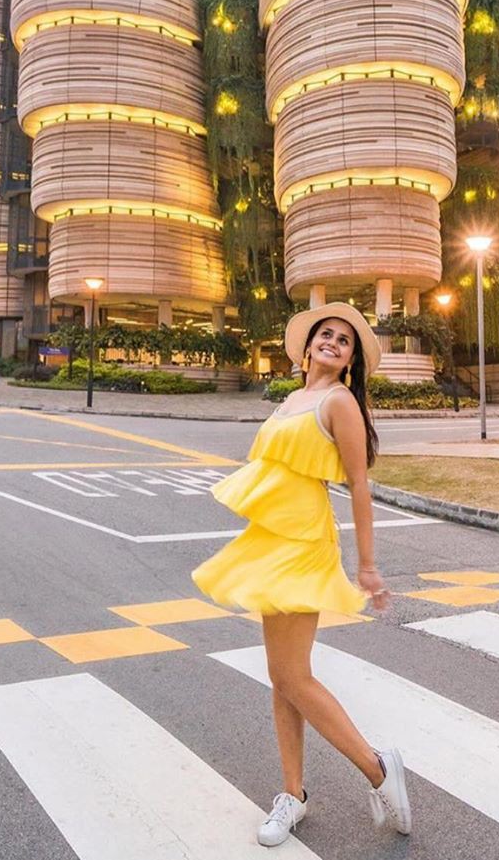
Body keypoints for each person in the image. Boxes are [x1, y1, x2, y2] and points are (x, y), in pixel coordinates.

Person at [192, 302, 410, 848]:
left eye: (346, 341)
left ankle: (378, 767)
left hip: (304, 539)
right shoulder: (292, 399)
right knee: (282, 674)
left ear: (351, 361)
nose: (334, 342)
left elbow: (360, 485)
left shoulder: (339, 403)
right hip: (272, 536)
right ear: (309, 346)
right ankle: (293, 794)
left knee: (293, 676)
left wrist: (367, 564)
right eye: (326, 334)